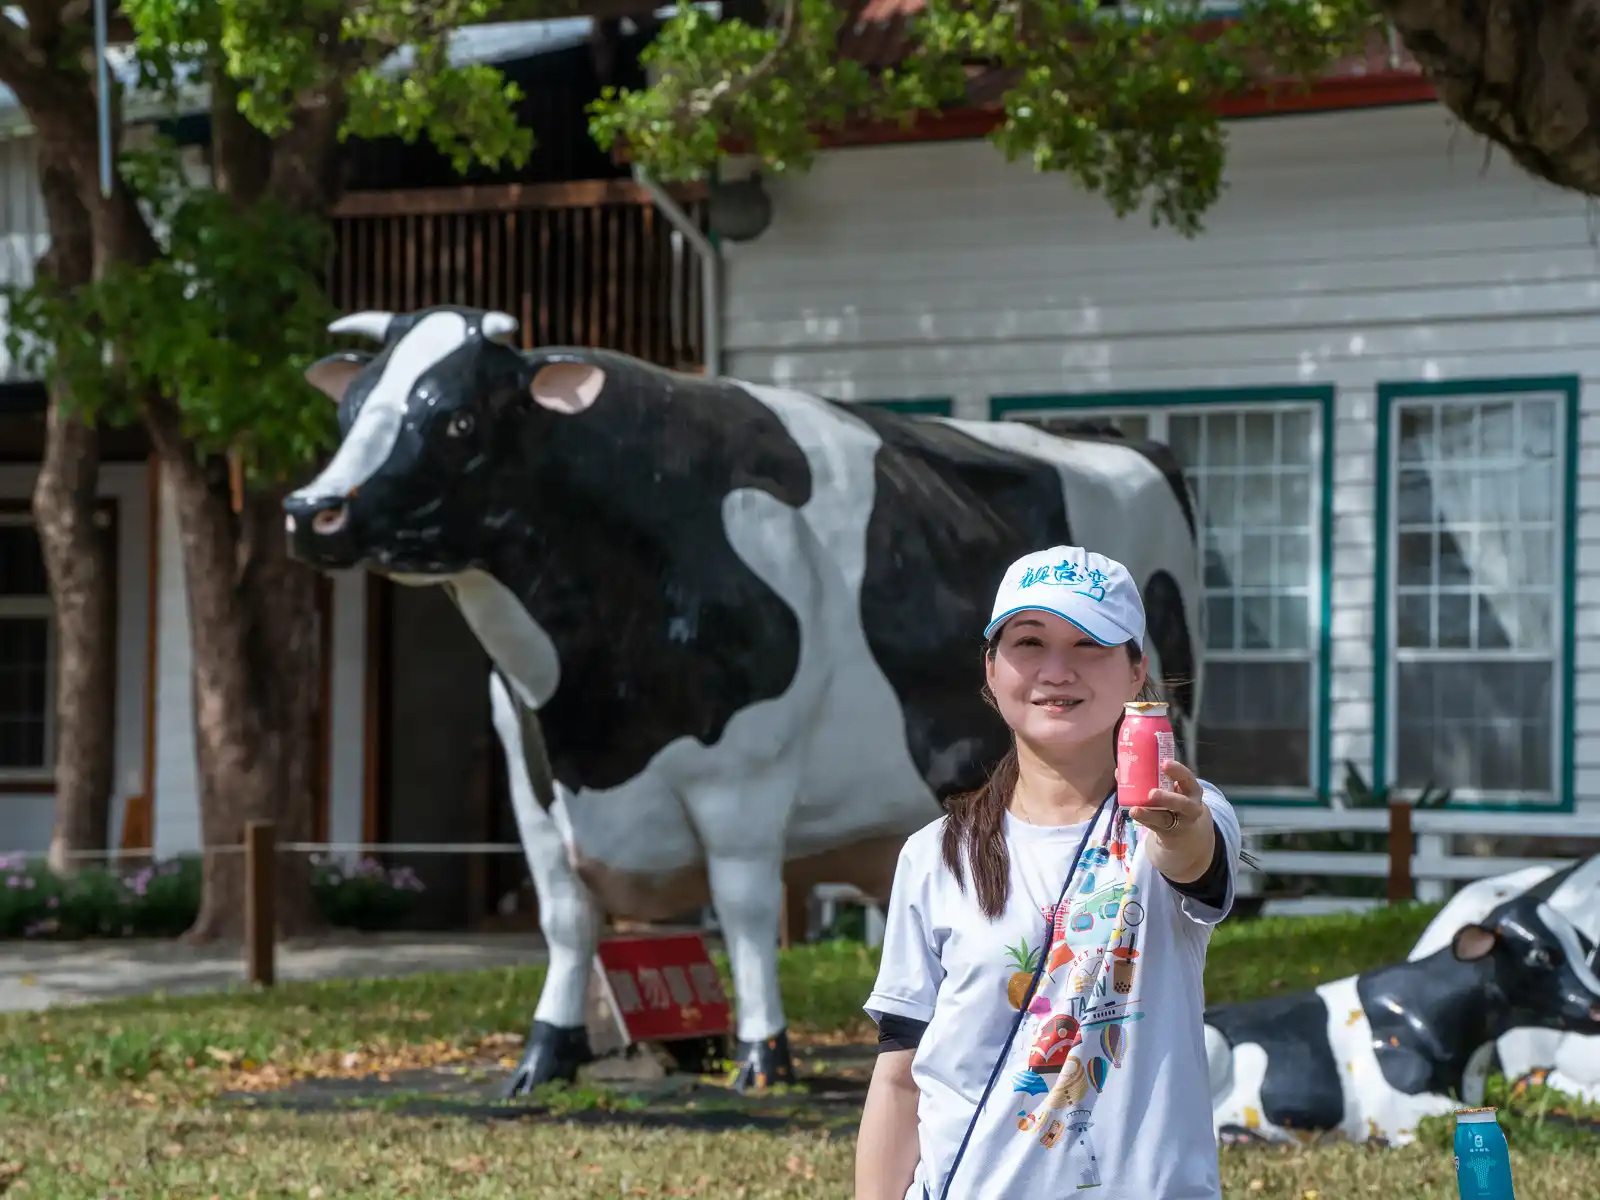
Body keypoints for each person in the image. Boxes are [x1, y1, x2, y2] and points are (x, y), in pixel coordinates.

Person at [855, 544, 1241, 1200]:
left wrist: (1182, 833)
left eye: (1088, 644)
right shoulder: (935, 855)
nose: (1056, 671)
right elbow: (899, 1076)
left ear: (1134, 670)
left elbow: (1192, 859)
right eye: (1029, 642)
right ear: (991, 668)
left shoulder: (1178, 814)